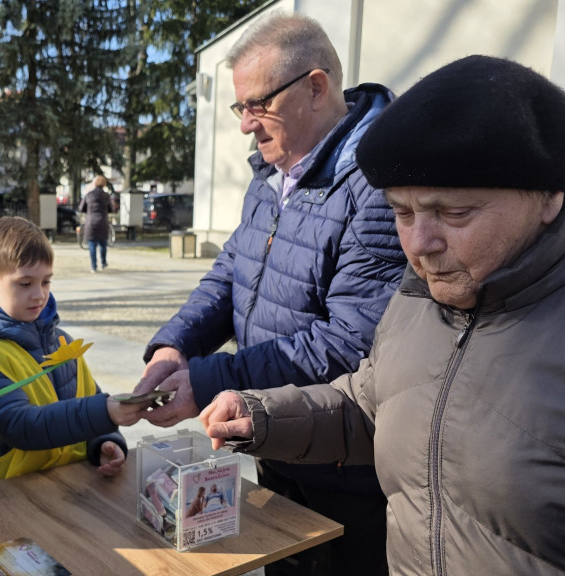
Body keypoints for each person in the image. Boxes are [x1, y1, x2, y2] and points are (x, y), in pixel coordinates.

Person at [200, 54, 565, 575]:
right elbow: (371, 403)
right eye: (402, 212)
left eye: (454, 213)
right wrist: (262, 415)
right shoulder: (418, 297)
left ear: (550, 197)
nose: (419, 244)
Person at [132, 13, 407, 576]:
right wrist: (176, 346)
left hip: (341, 464)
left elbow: (349, 342)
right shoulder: (271, 175)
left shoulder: (376, 184)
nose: (244, 125)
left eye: (258, 104)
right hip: (269, 436)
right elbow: (230, 272)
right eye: (240, 107)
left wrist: (209, 381)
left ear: (316, 87)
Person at [0, 216, 146, 488]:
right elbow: (21, 426)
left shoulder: (62, 341)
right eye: (25, 283)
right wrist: (105, 413)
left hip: (67, 482)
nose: (39, 295)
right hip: (10, 491)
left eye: (46, 282)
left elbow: (89, 397)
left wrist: (104, 441)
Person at [78, 175, 111, 272]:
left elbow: (81, 208)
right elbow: (111, 209)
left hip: (91, 222)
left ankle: (93, 266)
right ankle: (103, 263)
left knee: (92, 244)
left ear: (95, 184)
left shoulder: (89, 195)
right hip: (103, 221)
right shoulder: (106, 196)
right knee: (103, 243)